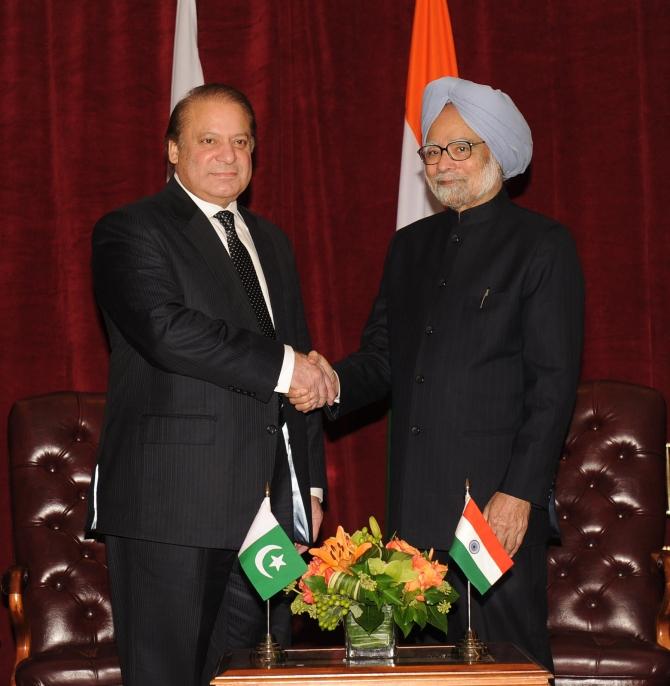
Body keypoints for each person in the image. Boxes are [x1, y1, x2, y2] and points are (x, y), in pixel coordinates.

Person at [290, 76, 584, 669]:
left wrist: (520, 494)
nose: (441, 162)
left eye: (459, 147)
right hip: (412, 511)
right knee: (421, 669)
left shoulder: (542, 246)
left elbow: (552, 385)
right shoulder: (408, 247)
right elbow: (383, 359)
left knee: (502, 662)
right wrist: (331, 382)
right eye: (431, 149)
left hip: (492, 508)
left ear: (497, 155)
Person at [87, 83, 336, 686]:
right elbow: (167, 330)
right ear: (173, 150)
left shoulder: (271, 242)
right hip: (173, 506)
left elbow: (296, 360)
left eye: (241, 142)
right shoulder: (130, 230)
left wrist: (310, 482)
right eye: (209, 140)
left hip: (269, 513)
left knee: (258, 675)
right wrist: (292, 367)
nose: (228, 155)